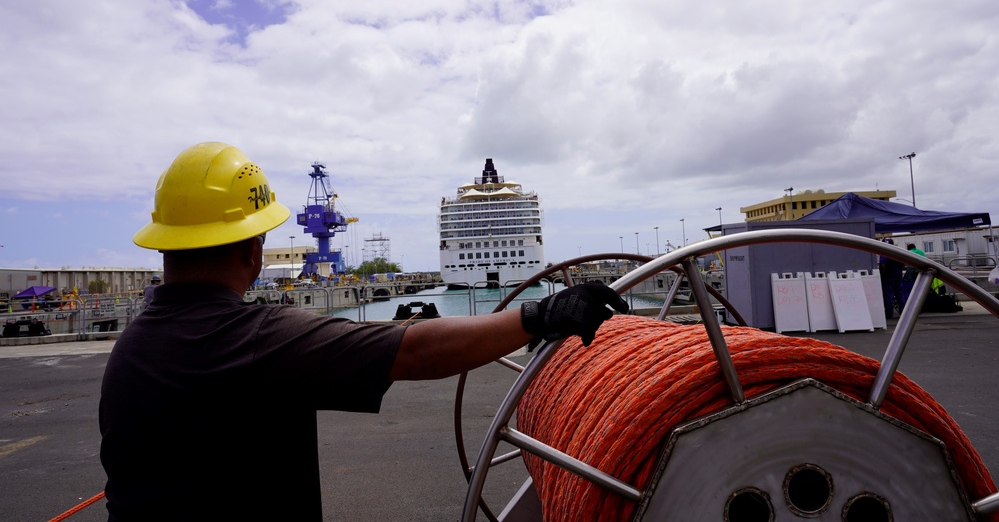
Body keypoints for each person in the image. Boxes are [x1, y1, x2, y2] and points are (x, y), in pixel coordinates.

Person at [99, 142, 628, 521]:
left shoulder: (134, 345)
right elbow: (415, 352)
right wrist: (537, 316)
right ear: (252, 249)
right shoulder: (255, 339)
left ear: (165, 245)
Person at [877, 239, 903, 318]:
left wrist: (881, 275)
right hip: (898, 275)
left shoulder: (884, 252)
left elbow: (882, 265)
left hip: (888, 276)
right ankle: (903, 311)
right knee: (900, 294)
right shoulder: (898, 252)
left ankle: (889, 313)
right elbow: (903, 264)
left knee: (888, 295)